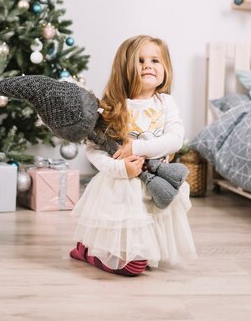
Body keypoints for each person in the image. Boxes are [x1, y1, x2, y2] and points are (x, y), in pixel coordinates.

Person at [70, 35, 197, 276]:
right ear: (124, 68)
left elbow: (175, 138)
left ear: (166, 69)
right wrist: (121, 169)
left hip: (155, 184)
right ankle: (87, 251)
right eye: (140, 60)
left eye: (155, 60)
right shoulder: (111, 106)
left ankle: (140, 251)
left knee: (146, 249)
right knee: (132, 267)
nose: (148, 65)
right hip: (121, 188)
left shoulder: (166, 103)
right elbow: (94, 150)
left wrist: (135, 148)